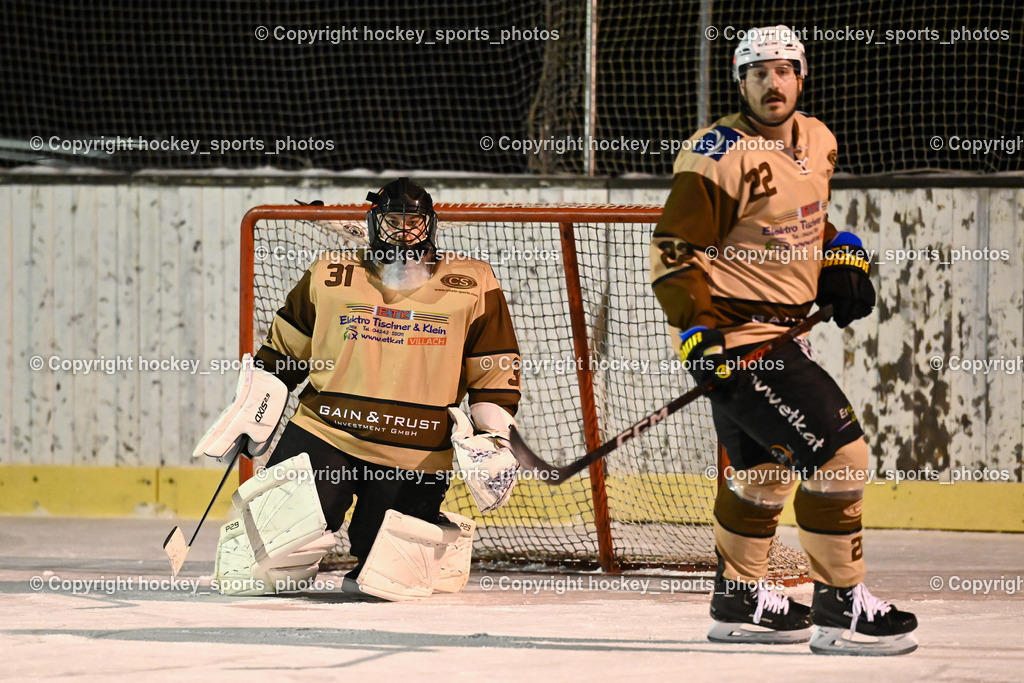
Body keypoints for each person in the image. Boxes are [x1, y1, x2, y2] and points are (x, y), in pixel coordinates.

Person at [650, 26, 917, 655]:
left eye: (784, 70)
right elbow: (673, 252)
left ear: (802, 75)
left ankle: (740, 601)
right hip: (739, 338)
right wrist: (697, 335)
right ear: (740, 82)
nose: (774, 83)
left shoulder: (819, 139)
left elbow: (806, 221)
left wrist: (843, 256)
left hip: (781, 331)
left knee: (762, 473)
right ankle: (841, 611)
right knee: (842, 459)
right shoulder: (716, 152)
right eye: (759, 72)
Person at [194, 178, 523, 600]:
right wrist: (252, 410)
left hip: (415, 449)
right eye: (392, 223)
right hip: (327, 431)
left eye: (413, 224)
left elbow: (492, 374)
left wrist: (494, 437)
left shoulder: (473, 282)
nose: (403, 233)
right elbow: (282, 352)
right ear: (372, 224)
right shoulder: (331, 273)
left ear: (431, 226)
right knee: (261, 563)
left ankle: (440, 540)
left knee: (387, 578)